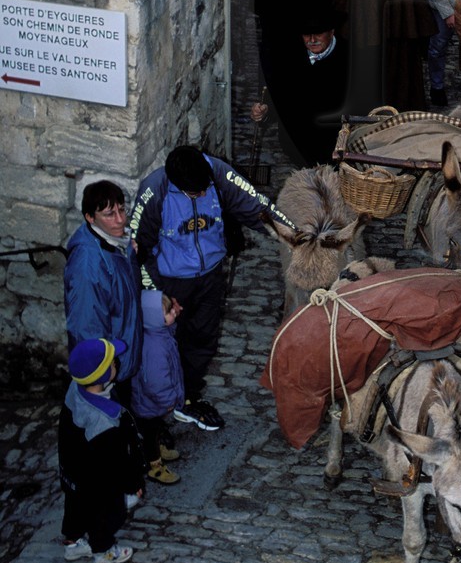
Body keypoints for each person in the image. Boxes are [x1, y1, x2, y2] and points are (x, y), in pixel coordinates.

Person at [131, 145, 294, 431]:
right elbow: (138, 248)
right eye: (196, 194)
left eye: (206, 188)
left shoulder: (217, 173)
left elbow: (256, 206)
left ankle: (189, 398)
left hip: (210, 276)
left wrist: (294, 234)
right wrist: (155, 293)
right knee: (165, 345)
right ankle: (154, 414)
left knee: (203, 339)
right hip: (171, 281)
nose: (204, 195)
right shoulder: (154, 191)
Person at [59, 337, 145, 563]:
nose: (117, 362)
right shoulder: (104, 421)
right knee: (104, 515)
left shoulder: (74, 390)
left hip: (74, 471)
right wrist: (132, 483)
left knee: (75, 507)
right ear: (103, 375)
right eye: (113, 362)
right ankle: (103, 551)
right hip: (98, 482)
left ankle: (72, 542)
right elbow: (116, 462)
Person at [63, 182, 143, 398]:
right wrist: (102, 378)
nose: (120, 220)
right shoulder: (88, 267)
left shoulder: (118, 243)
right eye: (109, 214)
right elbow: (86, 327)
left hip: (122, 361)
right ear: (90, 217)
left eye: (121, 210)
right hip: (108, 373)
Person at [252, 17, 351, 162]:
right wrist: (265, 111)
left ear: (331, 32)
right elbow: (278, 94)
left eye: (318, 33)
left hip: (336, 141)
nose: (312, 40)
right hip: (299, 142)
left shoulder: (351, 57)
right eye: (306, 34)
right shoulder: (288, 55)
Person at [131, 291, 185, 486]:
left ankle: (157, 448)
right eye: (169, 312)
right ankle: (155, 466)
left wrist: (174, 316)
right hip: (150, 403)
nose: (173, 313)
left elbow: (169, 332)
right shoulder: (153, 348)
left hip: (152, 402)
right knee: (149, 433)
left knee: (155, 430)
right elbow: (156, 382)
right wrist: (169, 400)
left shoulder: (157, 332)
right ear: (154, 318)